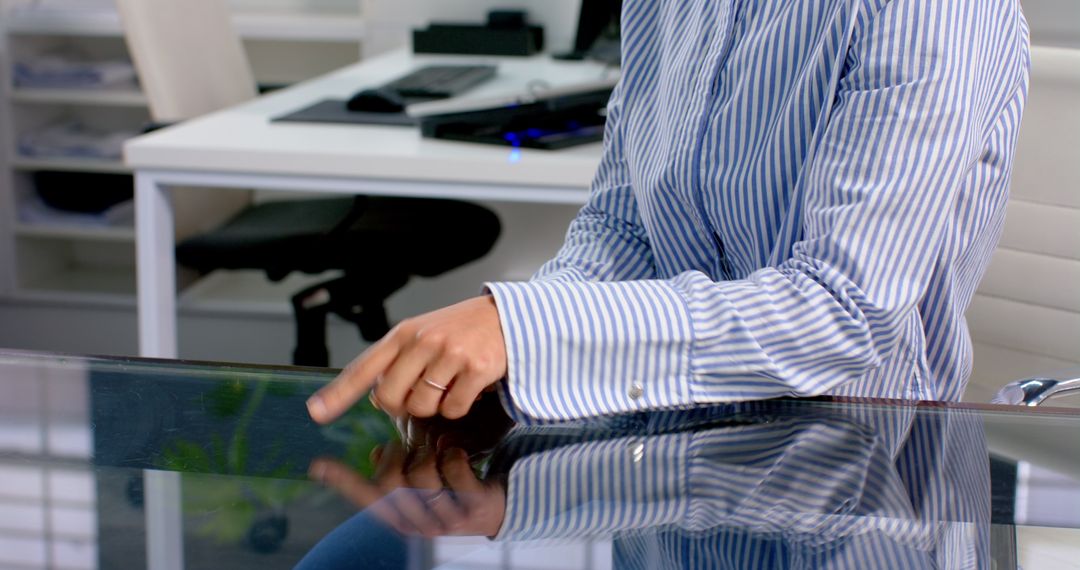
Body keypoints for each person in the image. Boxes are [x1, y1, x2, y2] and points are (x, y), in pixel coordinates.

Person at [307, 0, 1031, 425]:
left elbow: (841, 316)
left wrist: (525, 329)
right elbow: (623, 230)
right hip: (663, 454)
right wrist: (511, 359)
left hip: (853, 474)